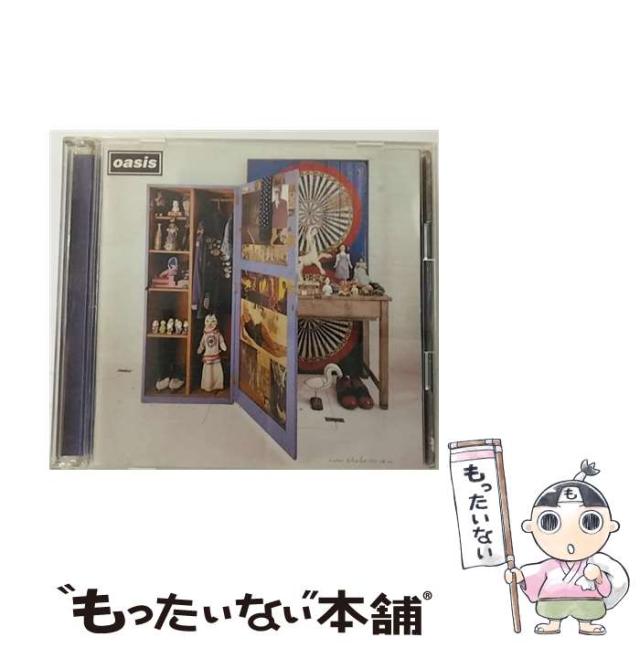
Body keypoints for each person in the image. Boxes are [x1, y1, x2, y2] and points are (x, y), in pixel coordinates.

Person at [505, 460, 629, 635]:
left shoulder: (594, 563)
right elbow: (535, 575)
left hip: (588, 603)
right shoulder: (549, 566)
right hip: (552, 602)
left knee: (589, 609)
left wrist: (599, 577)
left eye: (590, 522)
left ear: (610, 526)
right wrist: (519, 576)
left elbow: (605, 589)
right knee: (550, 609)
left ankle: (586, 623)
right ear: (530, 526)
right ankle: (553, 623)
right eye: (550, 522)